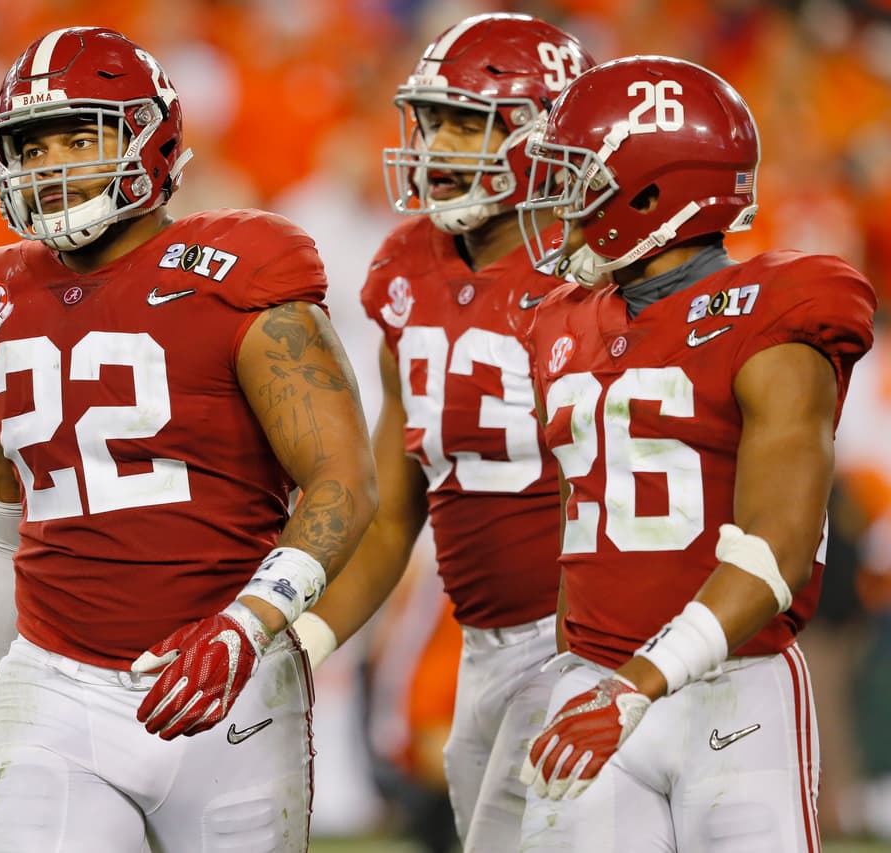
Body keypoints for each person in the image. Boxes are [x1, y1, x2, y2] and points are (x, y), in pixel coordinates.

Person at [0, 26, 376, 852]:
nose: (53, 164)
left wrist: (248, 623)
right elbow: (4, 514)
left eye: (80, 136)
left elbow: (343, 481)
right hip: (53, 679)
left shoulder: (240, 269)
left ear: (151, 136)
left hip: (227, 680)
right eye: (32, 146)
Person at [514, 56, 876, 851]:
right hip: (590, 680)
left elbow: (776, 550)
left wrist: (642, 682)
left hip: (732, 690)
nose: (558, 200)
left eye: (580, 176)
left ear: (650, 192)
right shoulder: (557, 319)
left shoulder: (779, 308)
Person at [289, 14, 594, 851]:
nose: (438, 142)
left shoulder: (595, 269)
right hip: (485, 644)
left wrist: (587, 665)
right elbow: (393, 507)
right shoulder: (405, 267)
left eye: (469, 120)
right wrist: (306, 641)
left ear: (547, 131)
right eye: (431, 119)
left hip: (596, 638)